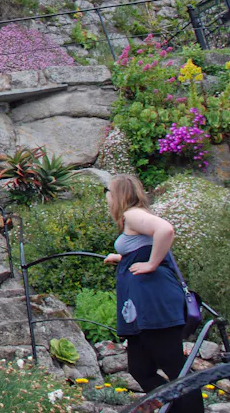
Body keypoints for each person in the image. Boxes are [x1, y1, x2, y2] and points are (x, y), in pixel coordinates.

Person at [102, 174, 203, 413]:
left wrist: (151, 264)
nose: (106, 197)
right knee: (140, 368)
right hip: (143, 309)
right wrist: (123, 258)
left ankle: (190, 410)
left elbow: (165, 230)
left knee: (176, 367)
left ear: (118, 194)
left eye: (107, 192)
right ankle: (177, 407)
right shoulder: (133, 217)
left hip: (154, 306)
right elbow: (143, 247)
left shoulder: (132, 214)